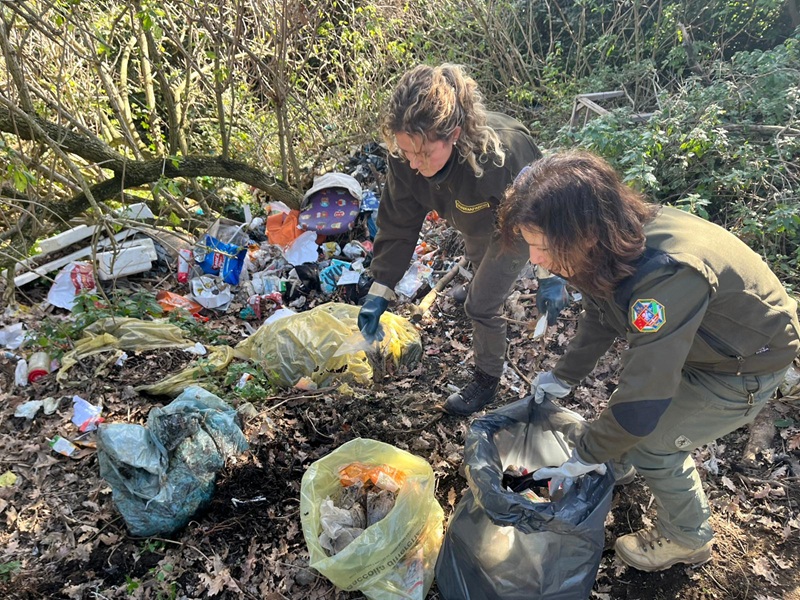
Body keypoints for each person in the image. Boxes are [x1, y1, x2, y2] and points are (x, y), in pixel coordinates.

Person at [498, 151, 800, 571]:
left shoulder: (665, 276)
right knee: (627, 424)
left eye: (541, 246)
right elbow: (602, 315)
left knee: (654, 445)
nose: (534, 260)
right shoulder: (611, 242)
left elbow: (644, 397)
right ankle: (615, 461)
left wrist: (584, 454)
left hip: (745, 362)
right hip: (703, 344)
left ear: (582, 233)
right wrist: (564, 377)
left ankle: (687, 537)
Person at [357, 63, 570, 415]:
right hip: (472, 221)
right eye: (406, 151)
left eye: (423, 154)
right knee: (477, 264)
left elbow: (545, 214)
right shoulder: (405, 158)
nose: (413, 163)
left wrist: (552, 275)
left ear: (454, 134)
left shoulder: (503, 152)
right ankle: (477, 285)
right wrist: (380, 288)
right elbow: (398, 222)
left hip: (516, 227)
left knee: (481, 304)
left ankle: (487, 379)